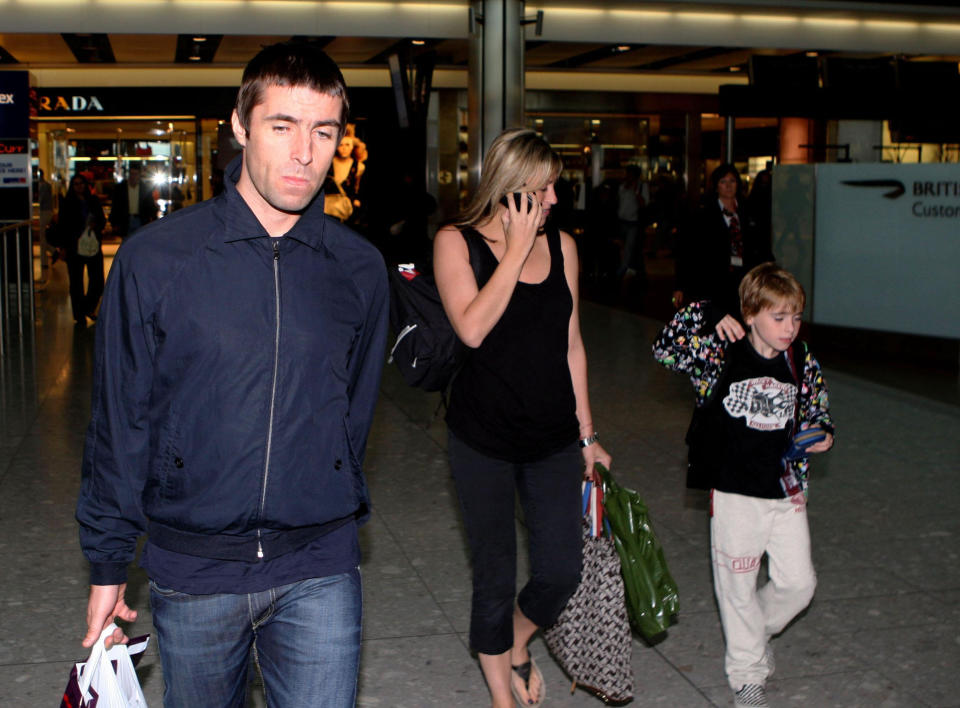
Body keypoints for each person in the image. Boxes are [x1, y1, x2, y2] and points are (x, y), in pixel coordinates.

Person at [75, 42, 389, 707]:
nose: (305, 151)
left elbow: (352, 414)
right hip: (196, 568)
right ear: (241, 125)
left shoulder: (358, 270)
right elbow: (120, 422)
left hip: (319, 564)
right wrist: (108, 566)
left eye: (323, 130)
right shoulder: (157, 260)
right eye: (283, 126)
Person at [433, 128, 612, 708]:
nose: (555, 201)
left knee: (560, 572)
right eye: (544, 190)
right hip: (481, 438)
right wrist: (511, 252)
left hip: (553, 437)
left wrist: (589, 435)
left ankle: (512, 641)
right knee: (493, 576)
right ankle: (501, 698)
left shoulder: (563, 247)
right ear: (511, 193)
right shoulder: (455, 243)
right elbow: (473, 327)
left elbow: (573, 345)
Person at [652, 263, 834, 708]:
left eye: (795, 317)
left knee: (799, 585)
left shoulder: (801, 359)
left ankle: (752, 632)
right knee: (737, 589)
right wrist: (708, 313)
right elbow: (664, 348)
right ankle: (747, 675)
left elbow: (816, 409)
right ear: (750, 313)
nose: (789, 327)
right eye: (779, 317)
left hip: (785, 492)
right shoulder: (719, 354)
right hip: (734, 494)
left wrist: (822, 433)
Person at [673, 163, 772, 317]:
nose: (728, 186)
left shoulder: (748, 211)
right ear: (716, 186)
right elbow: (688, 250)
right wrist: (681, 285)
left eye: (732, 181)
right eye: (723, 182)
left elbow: (761, 244)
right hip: (715, 282)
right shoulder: (704, 215)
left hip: (745, 279)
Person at [55, 173, 106, 324]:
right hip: (74, 246)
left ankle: (88, 307)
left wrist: (95, 225)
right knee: (76, 282)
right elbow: (62, 226)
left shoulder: (93, 201)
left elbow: (102, 220)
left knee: (97, 281)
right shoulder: (68, 203)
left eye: (81, 183)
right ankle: (79, 314)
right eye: (76, 184)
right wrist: (63, 247)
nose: (79, 186)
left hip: (92, 245)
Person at [108, 163, 157, 239]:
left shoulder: (145, 188)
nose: (133, 177)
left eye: (136, 174)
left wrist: (152, 219)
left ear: (139, 175)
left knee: (139, 241)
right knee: (126, 242)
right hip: (126, 220)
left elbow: (150, 205)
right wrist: (114, 223)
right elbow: (116, 206)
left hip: (140, 219)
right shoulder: (120, 188)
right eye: (132, 174)